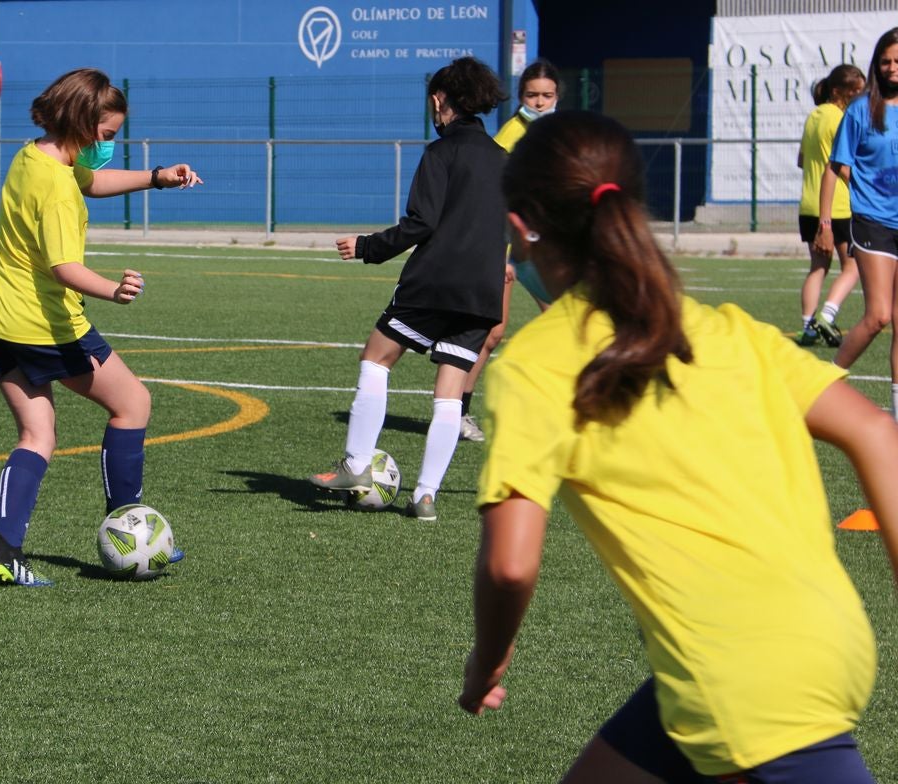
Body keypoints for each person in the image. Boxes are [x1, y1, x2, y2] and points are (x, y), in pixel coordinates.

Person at [458, 110, 898, 782]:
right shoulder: (724, 328)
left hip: (741, 680)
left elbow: (510, 566)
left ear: (521, 228)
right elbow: (875, 431)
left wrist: (486, 660)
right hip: (815, 639)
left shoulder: (535, 364)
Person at [0, 68, 201, 587]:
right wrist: (112, 289)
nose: (109, 147)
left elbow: (93, 181)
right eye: (107, 136)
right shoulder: (55, 186)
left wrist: (157, 176)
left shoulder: (34, 156)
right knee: (133, 403)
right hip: (45, 324)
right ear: (81, 122)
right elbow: (64, 269)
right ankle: (131, 532)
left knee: (37, 433)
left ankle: (4, 553)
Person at [308, 56, 509, 522]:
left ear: (440, 101)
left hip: (432, 284)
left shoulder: (440, 153)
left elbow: (422, 222)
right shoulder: (504, 161)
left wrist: (367, 247)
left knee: (376, 358)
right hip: (481, 292)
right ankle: (426, 496)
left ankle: (356, 465)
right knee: (449, 394)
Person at [459, 59, 561, 442]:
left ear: (557, 97)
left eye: (546, 95)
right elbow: (495, 198)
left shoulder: (561, 133)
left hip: (545, 247)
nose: (539, 102)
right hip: (507, 244)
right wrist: (501, 256)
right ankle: (459, 411)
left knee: (561, 324)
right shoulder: (511, 134)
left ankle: (557, 408)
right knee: (492, 332)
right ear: (521, 97)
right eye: (532, 95)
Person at [817, 29, 898, 420]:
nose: (893, 68)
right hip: (873, 222)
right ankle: (820, 385)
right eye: (886, 61)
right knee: (878, 315)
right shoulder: (861, 110)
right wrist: (826, 223)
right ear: (876, 64)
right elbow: (836, 168)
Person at [795, 64, 864, 347]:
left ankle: (808, 328)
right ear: (839, 92)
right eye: (855, 92)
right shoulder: (841, 118)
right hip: (836, 206)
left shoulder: (813, 116)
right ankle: (827, 313)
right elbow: (842, 166)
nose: (860, 96)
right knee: (854, 266)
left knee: (818, 267)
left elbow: (801, 160)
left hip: (808, 205)